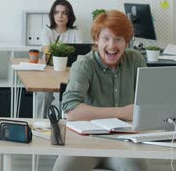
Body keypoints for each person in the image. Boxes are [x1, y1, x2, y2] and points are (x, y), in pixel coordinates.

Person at [53, 10, 148, 171]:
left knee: (138, 169)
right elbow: (71, 111)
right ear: (96, 40)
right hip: (86, 142)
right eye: (106, 38)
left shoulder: (136, 60)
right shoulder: (84, 64)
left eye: (118, 39)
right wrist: (122, 112)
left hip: (125, 143)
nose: (112, 45)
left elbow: (148, 105)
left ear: (126, 42)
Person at [38, 0, 83, 117]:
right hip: (49, 72)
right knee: (43, 95)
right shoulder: (47, 31)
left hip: (70, 72)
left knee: (72, 95)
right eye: (56, 12)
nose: (60, 16)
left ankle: (66, 124)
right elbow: (46, 51)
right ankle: (40, 123)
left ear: (70, 15)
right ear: (52, 15)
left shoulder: (76, 32)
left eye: (64, 13)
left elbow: (81, 54)